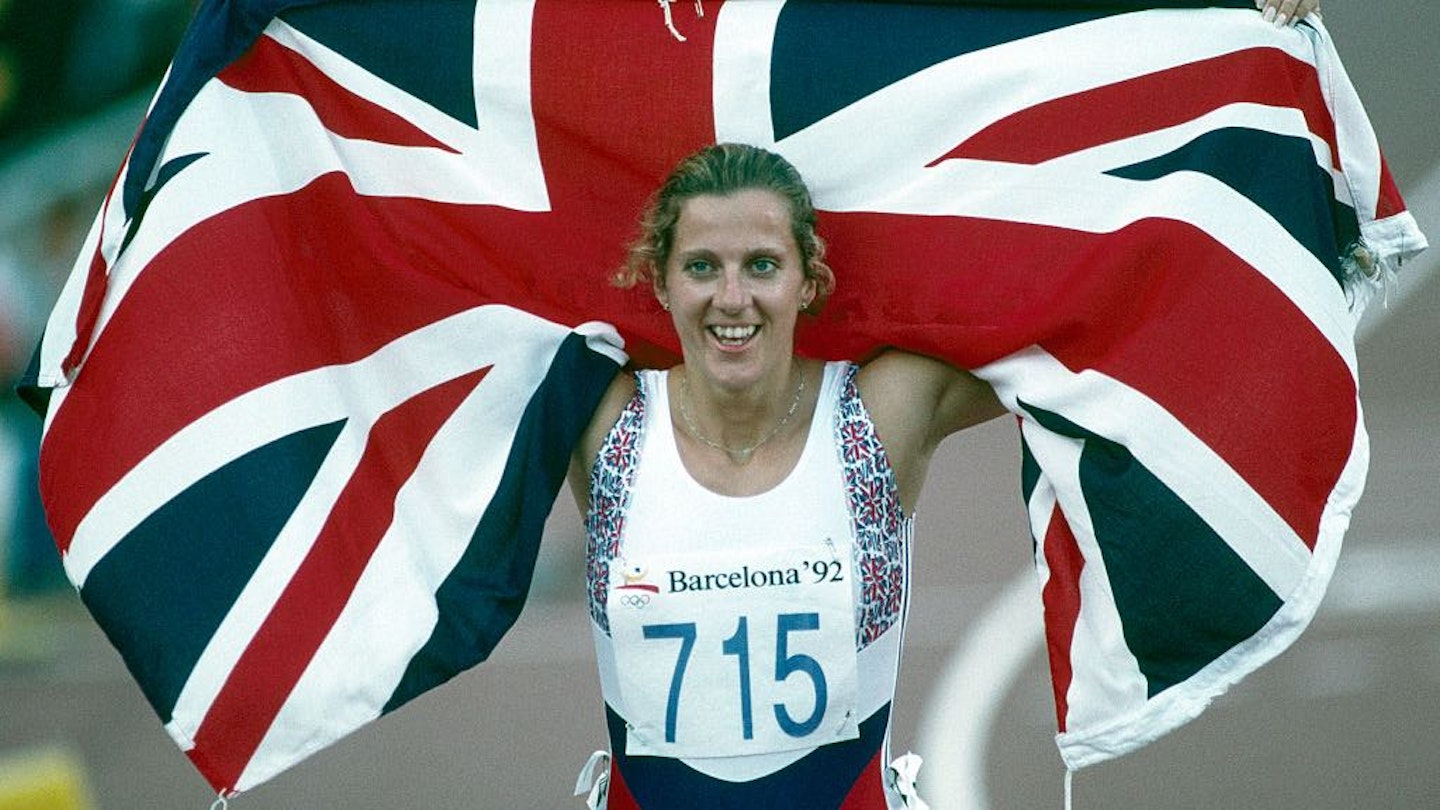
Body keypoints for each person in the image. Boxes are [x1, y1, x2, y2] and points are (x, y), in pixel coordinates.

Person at [566, 7, 1324, 808]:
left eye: (762, 264)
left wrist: (1237, 36)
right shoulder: (601, 424)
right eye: (701, 267)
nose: (733, 299)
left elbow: (1096, 285)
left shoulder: (879, 418)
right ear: (659, 282)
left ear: (808, 281)